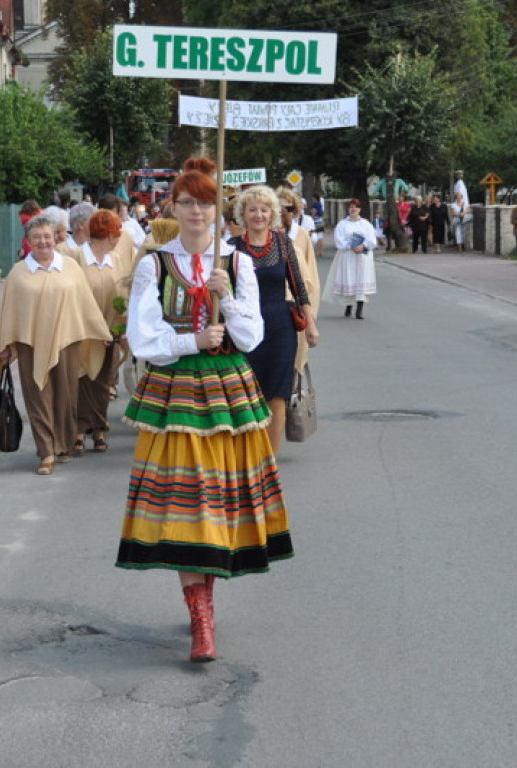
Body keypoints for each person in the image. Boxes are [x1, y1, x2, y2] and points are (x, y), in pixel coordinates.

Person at [117, 163, 294, 664]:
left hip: (229, 394)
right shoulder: (154, 265)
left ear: (219, 210)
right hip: (176, 394)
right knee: (186, 504)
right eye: (188, 203)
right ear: (173, 208)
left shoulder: (235, 265)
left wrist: (228, 299)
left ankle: (205, 602)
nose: (197, 212)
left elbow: (252, 336)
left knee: (220, 503)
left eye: (205, 203)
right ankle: (202, 621)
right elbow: (142, 338)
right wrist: (191, 339)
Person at [0, 214, 112, 475]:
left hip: (68, 341)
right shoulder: (18, 273)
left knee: (66, 396)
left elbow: (85, 303)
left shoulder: (70, 267)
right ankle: (46, 451)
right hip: (31, 345)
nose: (43, 242)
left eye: (47, 236)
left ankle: (63, 443)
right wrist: (6, 344)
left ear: (55, 238)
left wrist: (100, 331)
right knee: (38, 397)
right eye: (36, 237)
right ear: (28, 241)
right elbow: (9, 312)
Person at [230, 185, 319, 455]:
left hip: (280, 327)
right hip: (244, 328)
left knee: (278, 394)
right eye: (252, 210)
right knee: (245, 392)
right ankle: (247, 454)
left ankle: (268, 458)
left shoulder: (282, 244)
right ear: (243, 215)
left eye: (264, 209)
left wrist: (311, 325)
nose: (259, 215)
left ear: (273, 214)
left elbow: (298, 286)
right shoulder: (232, 248)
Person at [73, 209, 128, 456]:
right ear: (107, 235)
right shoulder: (76, 258)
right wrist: (94, 328)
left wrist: (120, 326)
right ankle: (77, 430)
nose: (118, 240)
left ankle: (99, 429)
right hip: (84, 332)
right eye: (116, 234)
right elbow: (74, 298)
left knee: (104, 382)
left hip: (111, 332)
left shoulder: (115, 260)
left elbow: (122, 295)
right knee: (83, 380)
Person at [278, 187, 321, 379]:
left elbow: (309, 275)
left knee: (293, 356)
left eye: (287, 209)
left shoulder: (301, 235)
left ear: (294, 212)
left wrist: (310, 315)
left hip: (295, 301)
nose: (282, 214)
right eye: (278, 209)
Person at [325, 198, 377, 319]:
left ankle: (360, 308)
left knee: (361, 280)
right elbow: (339, 240)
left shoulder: (366, 224)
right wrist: (350, 246)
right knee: (349, 279)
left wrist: (363, 246)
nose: (353, 209)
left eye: (356, 207)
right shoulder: (342, 224)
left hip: (363, 256)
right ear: (348, 209)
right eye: (351, 207)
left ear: (360, 209)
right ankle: (348, 305)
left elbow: (372, 240)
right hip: (348, 255)